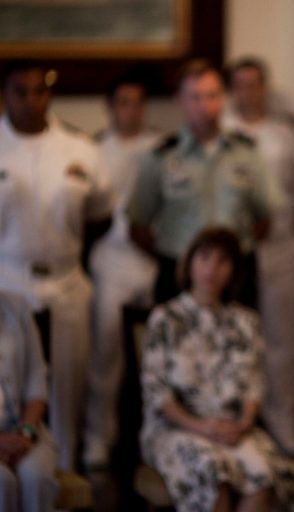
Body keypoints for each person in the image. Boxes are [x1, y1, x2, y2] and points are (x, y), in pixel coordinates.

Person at [0, 61, 114, 470]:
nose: (31, 101)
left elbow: (100, 213)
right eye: (20, 91)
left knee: (68, 391)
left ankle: (66, 478)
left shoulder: (80, 149)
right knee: (11, 391)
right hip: (8, 281)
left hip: (66, 282)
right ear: (5, 94)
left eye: (39, 91)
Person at [140, 226, 294, 512]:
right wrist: (202, 427)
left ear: (234, 270)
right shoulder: (165, 319)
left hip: (233, 429)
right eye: (204, 257)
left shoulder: (245, 322)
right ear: (189, 263)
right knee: (213, 472)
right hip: (177, 429)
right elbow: (157, 393)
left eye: (223, 261)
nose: (212, 268)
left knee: (262, 473)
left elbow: (254, 386)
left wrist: (241, 425)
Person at [126, 59, 282, 306]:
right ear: (181, 99)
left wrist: (231, 255)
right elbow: (138, 226)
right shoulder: (162, 156)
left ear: (223, 97)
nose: (205, 106)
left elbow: (264, 218)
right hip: (178, 273)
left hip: (235, 276)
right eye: (195, 97)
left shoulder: (246, 152)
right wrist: (179, 259)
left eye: (212, 96)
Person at [222, 57, 294, 456]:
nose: (248, 92)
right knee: (232, 337)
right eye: (240, 84)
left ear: (264, 87)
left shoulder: (287, 136)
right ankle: (233, 421)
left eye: (255, 83)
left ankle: (283, 424)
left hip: (281, 247)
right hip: (232, 251)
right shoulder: (220, 131)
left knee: (282, 339)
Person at [83, 73, 161, 471]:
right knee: (106, 354)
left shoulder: (160, 148)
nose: (131, 110)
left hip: (150, 262)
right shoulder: (94, 149)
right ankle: (99, 440)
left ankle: (152, 441)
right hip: (111, 261)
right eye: (124, 102)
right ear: (111, 106)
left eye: (138, 102)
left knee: (153, 358)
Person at [0, 292, 58, 512]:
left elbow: (37, 381)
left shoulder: (19, 310)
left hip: (24, 430)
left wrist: (25, 435)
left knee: (36, 476)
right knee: (2, 483)